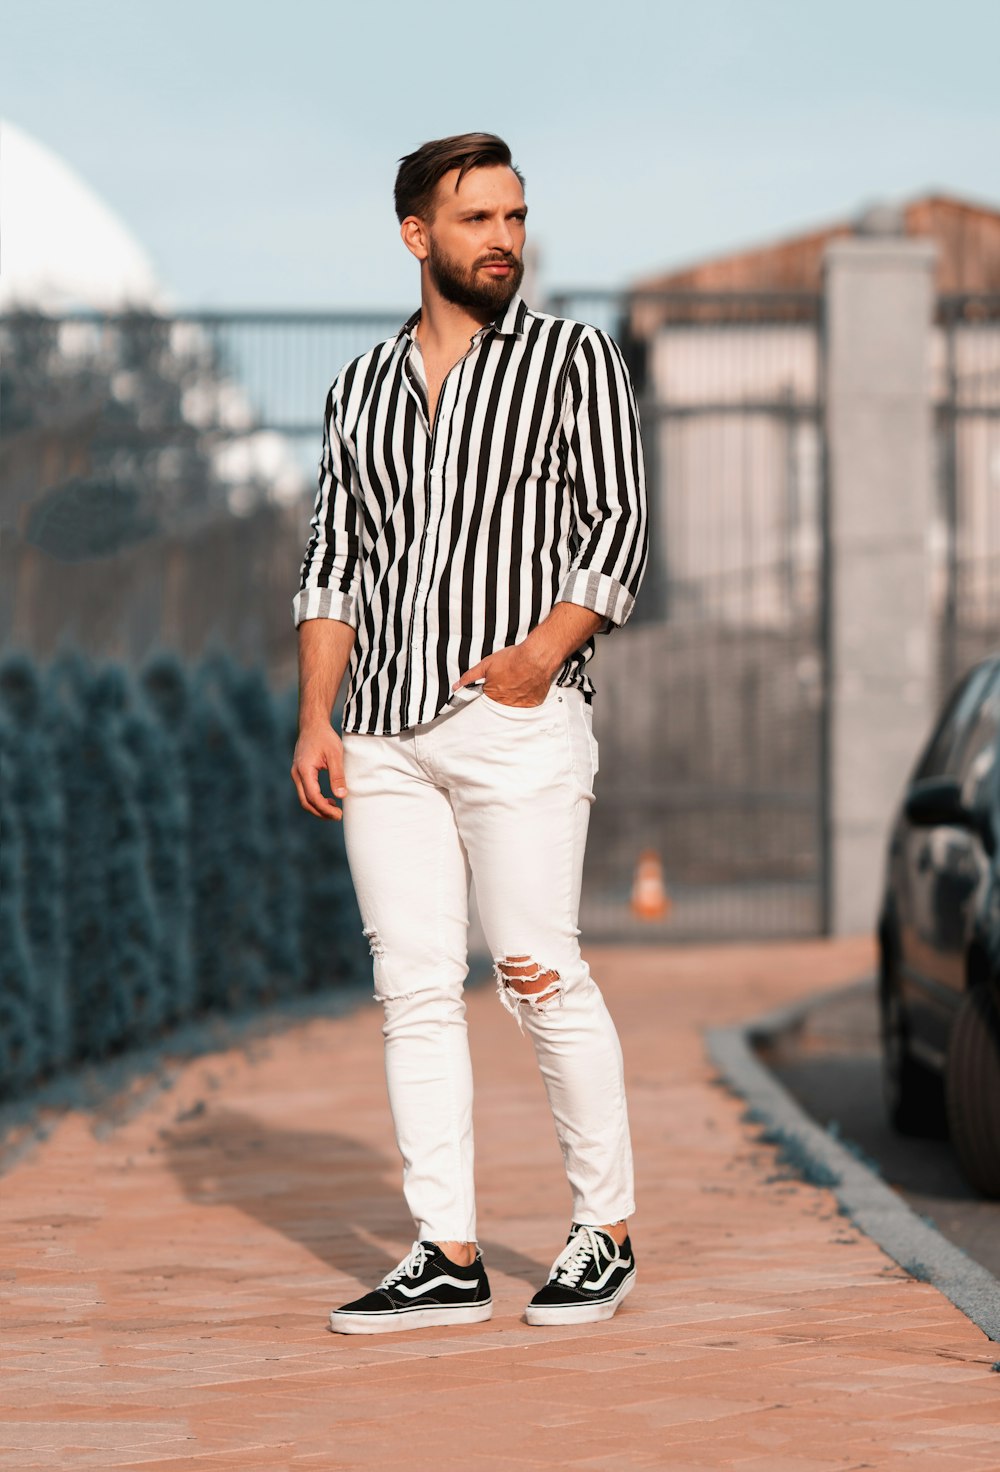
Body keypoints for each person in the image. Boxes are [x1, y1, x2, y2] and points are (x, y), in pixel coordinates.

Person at [290, 132, 648, 1334]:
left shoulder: (571, 359)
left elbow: (616, 529)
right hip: (383, 734)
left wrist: (537, 659)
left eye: (515, 215)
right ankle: (443, 1250)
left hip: (518, 724)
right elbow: (332, 560)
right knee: (414, 992)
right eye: (478, 218)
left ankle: (603, 1228)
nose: (504, 237)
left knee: (538, 970)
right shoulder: (359, 388)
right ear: (416, 236)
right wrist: (316, 718)